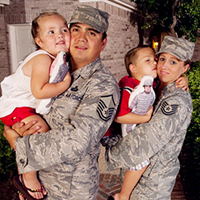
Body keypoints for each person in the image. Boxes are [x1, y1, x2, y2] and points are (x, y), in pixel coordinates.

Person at [3, 4, 120, 200]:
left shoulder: (103, 86)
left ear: (103, 42)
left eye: (91, 33)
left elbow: (78, 141)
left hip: (69, 191)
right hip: (38, 184)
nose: (81, 38)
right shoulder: (55, 68)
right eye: (75, 30)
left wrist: (20, 144)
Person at [106, 36, 194, 200]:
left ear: (185, 67)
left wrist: (111, 153)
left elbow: (147, 141)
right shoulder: (157, 86)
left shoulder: (177, 101)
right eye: (161, 59)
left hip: (151, 185)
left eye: (173, 62)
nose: (164, 66)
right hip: (136, 173)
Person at [0, 12, 71, 200]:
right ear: (39, 41)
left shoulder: (56, 59)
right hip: (16, 107)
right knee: (41, 133)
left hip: (23, 106)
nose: (60, 35)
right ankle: (28, 178)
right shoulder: (42, 58)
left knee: (38, 136)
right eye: (51, 32)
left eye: (64, 29)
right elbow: (40, 90)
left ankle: (16, 142)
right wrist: (64, 84)